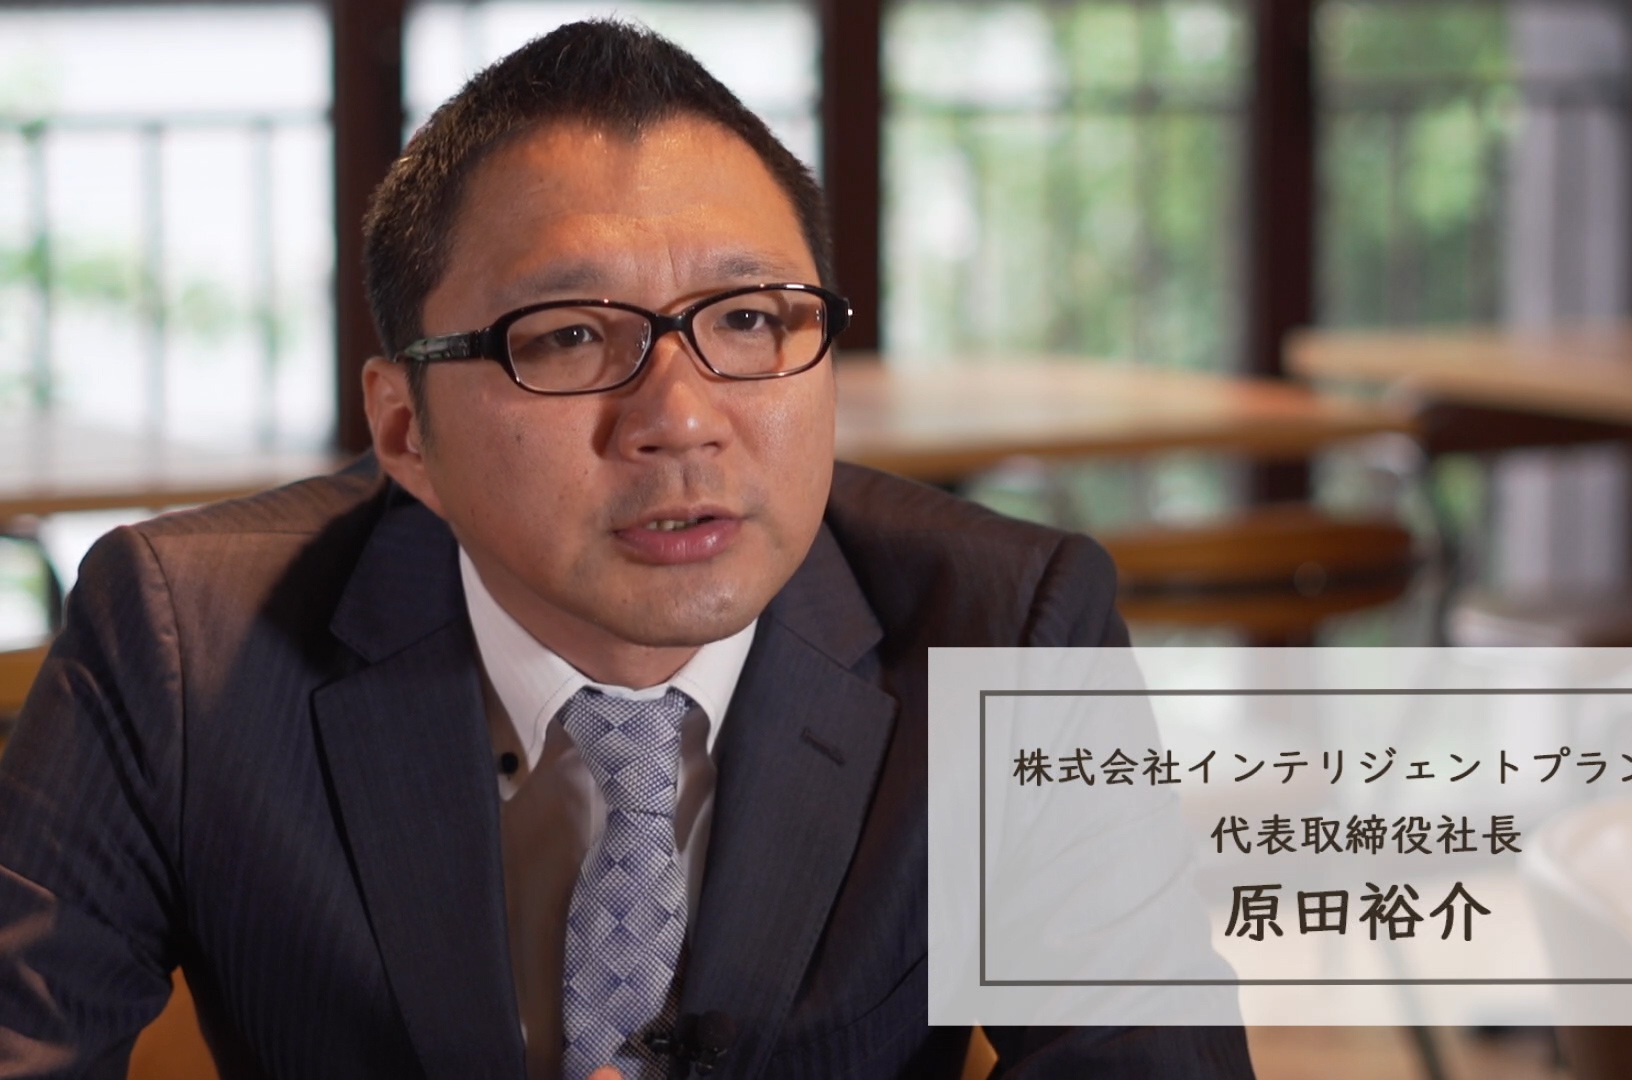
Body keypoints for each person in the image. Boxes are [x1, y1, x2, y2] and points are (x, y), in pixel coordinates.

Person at [0, 19, 1253, 1080]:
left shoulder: (1008, 627)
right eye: (567, 337)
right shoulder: (184, 640)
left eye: (749, 319)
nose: (681, 419)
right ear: (406, 430)